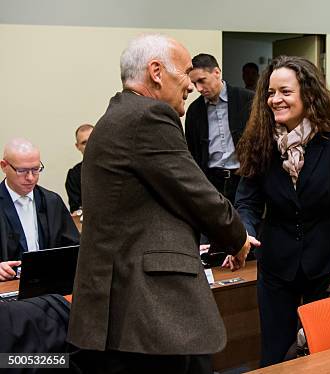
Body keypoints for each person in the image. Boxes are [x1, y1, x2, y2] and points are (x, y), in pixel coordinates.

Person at [67, 34, 254, 374]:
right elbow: (196, 193)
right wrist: (237, 237)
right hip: (150, 311)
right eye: (185, 73)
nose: (192, 86)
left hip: (124, 307)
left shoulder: (119, 115)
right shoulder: (148, 117)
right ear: (156, 72)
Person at [228, 55, 330, 367]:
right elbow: (247, 200)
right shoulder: (258, 139)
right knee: (276, 353)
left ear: (308, 93)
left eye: (285, 92)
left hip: (326, 265)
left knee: (324, 352)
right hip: (276, 264)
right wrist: (245, 230)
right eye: (271, 93)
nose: (276, 100)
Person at [0, 138, 79, 281]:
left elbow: (74, 249)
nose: (30, 178)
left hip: (48, 284)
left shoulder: (52, 201)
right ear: (4, 166)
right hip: (5, 287)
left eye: (35, 169)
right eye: (22, 170)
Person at [185, 54, 254, 204]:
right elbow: (192, 152)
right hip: (210, 181)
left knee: (244, 223)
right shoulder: (194, 110)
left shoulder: (247, 100)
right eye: (194, 83)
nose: (198, 88)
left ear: (216, 72)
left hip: (243, 179)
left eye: (202, 81)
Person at [65, 123, 94, 213]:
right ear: (78, 146)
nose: (89, 145)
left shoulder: (117, 166)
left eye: (92, 140)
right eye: (84, 143)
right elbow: (76, 210)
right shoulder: (74, 176)